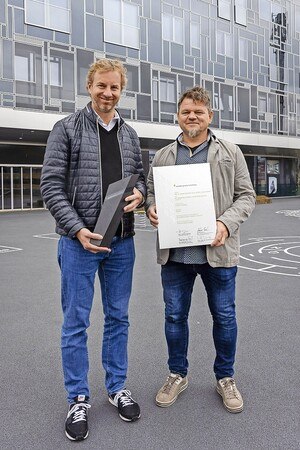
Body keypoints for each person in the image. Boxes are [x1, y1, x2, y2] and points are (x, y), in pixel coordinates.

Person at [40, 58, 146, 441]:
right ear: (90, 86)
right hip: (79, 245)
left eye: (115, 87)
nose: (108, 93)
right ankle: (78, 398)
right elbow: (50, 186)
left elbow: (142, 181)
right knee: (76, 323)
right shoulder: (65, 129)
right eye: (102, 86)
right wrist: (78, 229)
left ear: (122, 90)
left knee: (118, 318)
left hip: (122, 243)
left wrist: (140, 194)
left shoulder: (130, 134)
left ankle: (117, 387)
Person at [146, 86, 255, 414]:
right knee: (174, 316)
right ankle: (177, 374)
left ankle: (225, 377)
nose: (192, 116)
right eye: (186, 112)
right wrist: (152, 208)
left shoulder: (230, 151)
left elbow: (246, 195)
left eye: (199, 112)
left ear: (210, 116)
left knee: (224, 316)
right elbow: (153, 192)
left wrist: (225, 224)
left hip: (217, 253)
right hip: (175, 256)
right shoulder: (163, 154)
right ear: (177, 116)